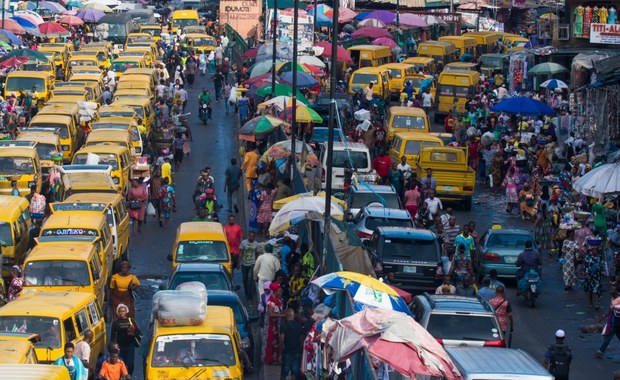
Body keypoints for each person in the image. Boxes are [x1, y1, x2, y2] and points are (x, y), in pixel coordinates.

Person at [111, 304, 141, 376]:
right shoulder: (115, 323)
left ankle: (129, 375)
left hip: (129, 346)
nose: (122, 313)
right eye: (120, 311)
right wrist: (112, 347)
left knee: (130, 363)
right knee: (121, 364)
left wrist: (133, 333)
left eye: (123, 311)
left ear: (126, 312)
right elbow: (112, 336)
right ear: (118, 312)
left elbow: (138, 332)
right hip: (119, 347)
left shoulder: (131, 321)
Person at [595, 285, 620, 359]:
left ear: (617, 291)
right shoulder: (613, 298)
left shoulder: (618, 300)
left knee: (608, 337)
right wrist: (603, 317)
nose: (611, 291)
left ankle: (600, 351)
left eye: (613, 290)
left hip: (616, 322)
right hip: (615, 321)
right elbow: (611, 310)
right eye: (611, 289)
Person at [264, 282, 285, 365]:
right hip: (272, 325)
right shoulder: (271, 302)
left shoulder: (279, 300)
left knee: (277, 341)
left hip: (278, 324)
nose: (281, 293)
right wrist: (283, 315)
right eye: (279, 291)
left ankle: (276, 359)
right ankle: (272, 359)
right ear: (275, 291)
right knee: (272, 341)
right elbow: (271, 314)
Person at [280, 308, 304, 380]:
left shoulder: (283, 325)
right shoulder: (299, 326)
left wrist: (280, 353)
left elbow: (281, 340)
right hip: (297, 351)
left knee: (284, 373)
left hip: (287, 351)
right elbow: (301, 340)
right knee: (294, 374)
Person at [239, 231, 259, 299]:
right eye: (250, 236)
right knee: (245, 279)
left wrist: (256, 262)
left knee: (250, 280)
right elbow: (241, 253)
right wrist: (239, 262)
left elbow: (257, 254)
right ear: (248, 236)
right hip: (244, 264)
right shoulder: (243, 243)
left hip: (252, 264)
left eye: (253, 236)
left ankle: (249, 294)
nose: (251, 237)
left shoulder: (256, 244)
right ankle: (246, 292)